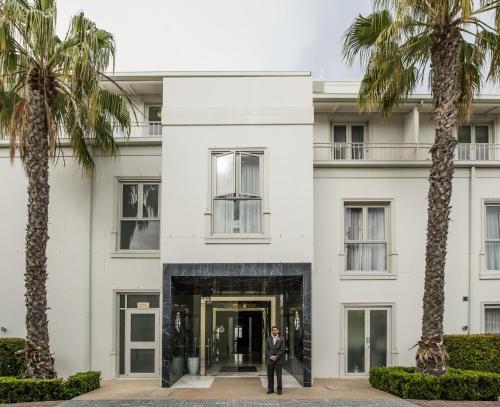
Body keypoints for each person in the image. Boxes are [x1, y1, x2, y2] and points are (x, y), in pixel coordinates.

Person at [266, 325, 285, 395]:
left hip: (279, 360)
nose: (274, 331)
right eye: (273, 330)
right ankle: (270, 389)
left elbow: (282, 350)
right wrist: (271, 356)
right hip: (270, 360)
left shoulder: (282, 339)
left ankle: (279, 390)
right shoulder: (268, 339)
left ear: (278, 331)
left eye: (275, 330)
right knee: (270, 375)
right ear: (271, 331)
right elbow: (267, 349)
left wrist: (276, 357)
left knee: (279, 376)